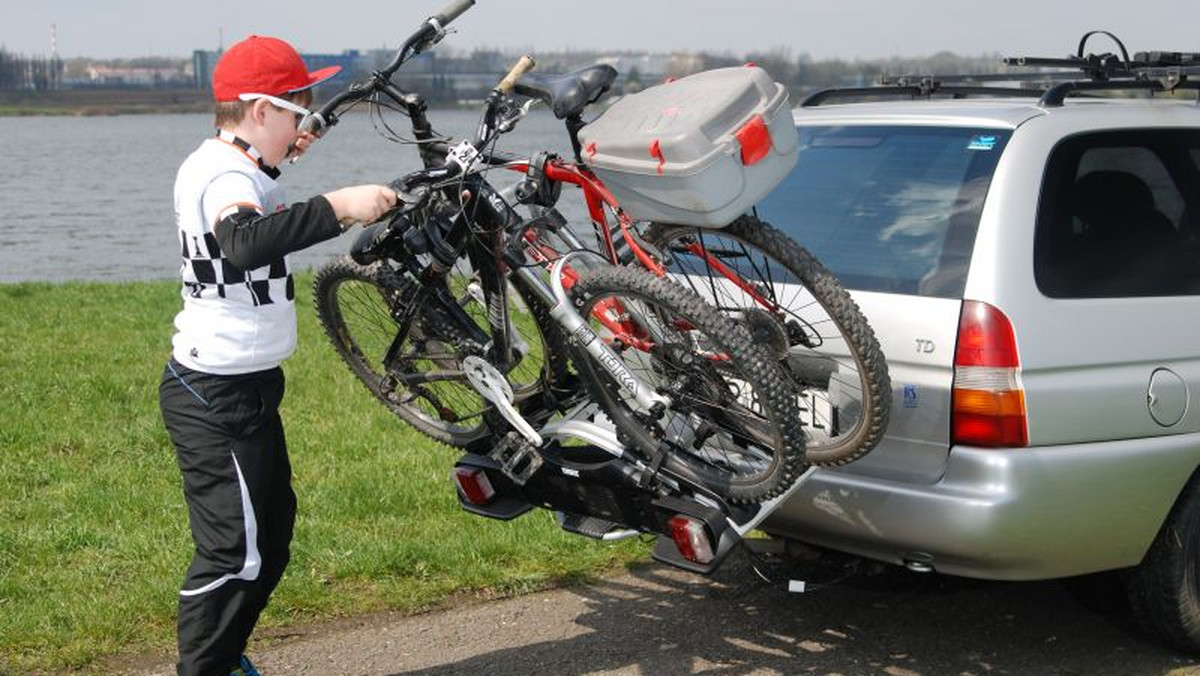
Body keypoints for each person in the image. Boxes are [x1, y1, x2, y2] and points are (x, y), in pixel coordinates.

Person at [157, 35, 396, 676]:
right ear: (260, 111)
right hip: (214, 392)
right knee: (235, 551)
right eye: (296, 111)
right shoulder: (223, 174)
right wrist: (339, 207)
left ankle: (224, 656)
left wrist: (280, 160)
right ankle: (205, 668)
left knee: (272, 534)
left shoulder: (229, 165)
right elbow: (241, 241)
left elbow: (248, 201)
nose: (304, 123)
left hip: (245, 386)